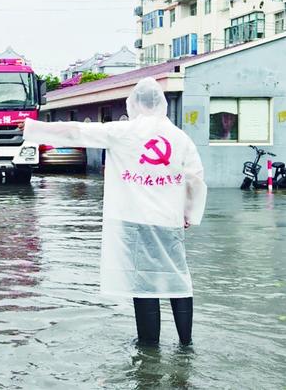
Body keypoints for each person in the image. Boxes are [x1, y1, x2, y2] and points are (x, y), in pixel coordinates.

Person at [21, 78, 207, 346]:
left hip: (135, 221)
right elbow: (195, 179)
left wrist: (32, 128)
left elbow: (76, 132)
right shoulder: (180, 138)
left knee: (143, 283)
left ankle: (149, 347)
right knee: (177, 277)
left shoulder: (123, 132)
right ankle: (186, 344)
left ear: (135, 103)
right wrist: (188, 213)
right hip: (169, 220)